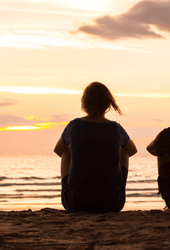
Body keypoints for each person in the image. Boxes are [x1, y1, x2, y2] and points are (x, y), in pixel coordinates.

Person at [54, 82, 137, 213]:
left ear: (84, 103)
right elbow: (132, 150)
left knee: (66, 150)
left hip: (76, 203)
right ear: (108, 104)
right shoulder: (116, 128)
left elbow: (58, 149)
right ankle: (118, 189)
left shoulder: (74, 126)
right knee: (124, 150)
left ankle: (69, 189)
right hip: (112, 203)